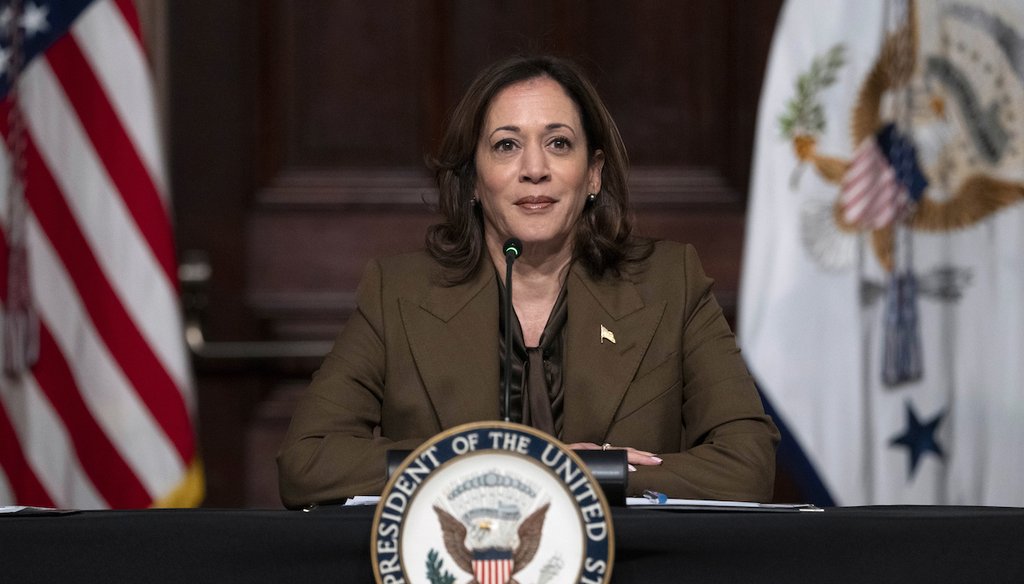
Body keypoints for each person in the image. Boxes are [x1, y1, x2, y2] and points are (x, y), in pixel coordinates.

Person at [277, 55, 779, 509]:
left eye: (558, 143)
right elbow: (307, 463)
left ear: (594, 174)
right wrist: (488, 459)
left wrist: (588, 474)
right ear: (474, 179)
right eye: (506, 145)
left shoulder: (670, 282)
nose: (534, 170)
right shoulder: (399, 292)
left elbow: (748, 464)